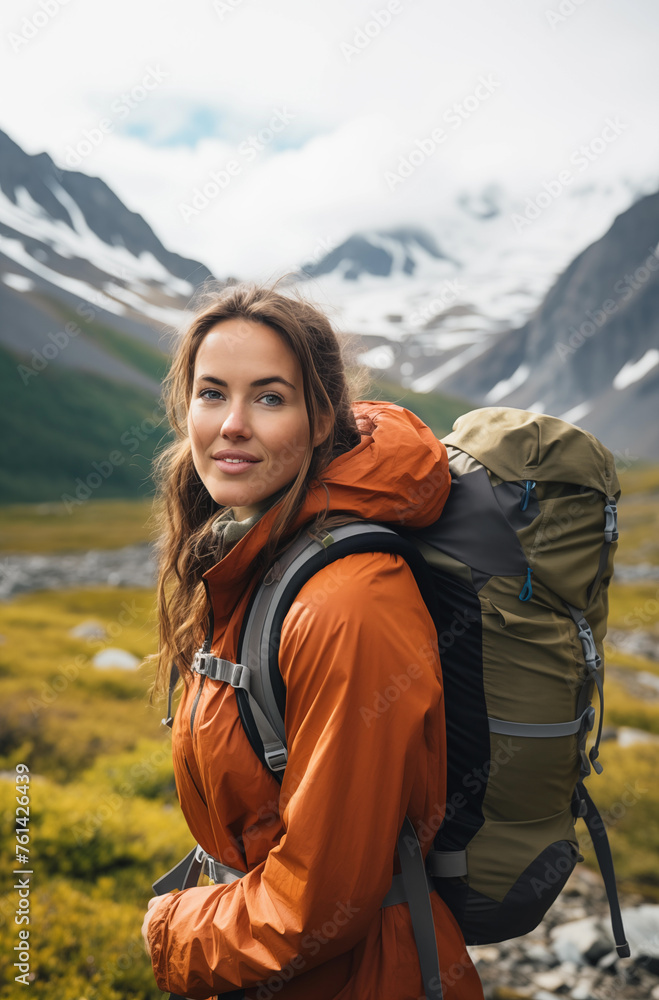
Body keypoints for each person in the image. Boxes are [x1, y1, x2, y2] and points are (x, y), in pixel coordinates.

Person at [141, 278, 484, 1000]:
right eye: (211, 393)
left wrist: (175, 933)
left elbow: (320, 905)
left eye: (269, 397)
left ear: (321, 415)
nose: (231, 424)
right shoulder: (252, 558)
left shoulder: (346, 603)